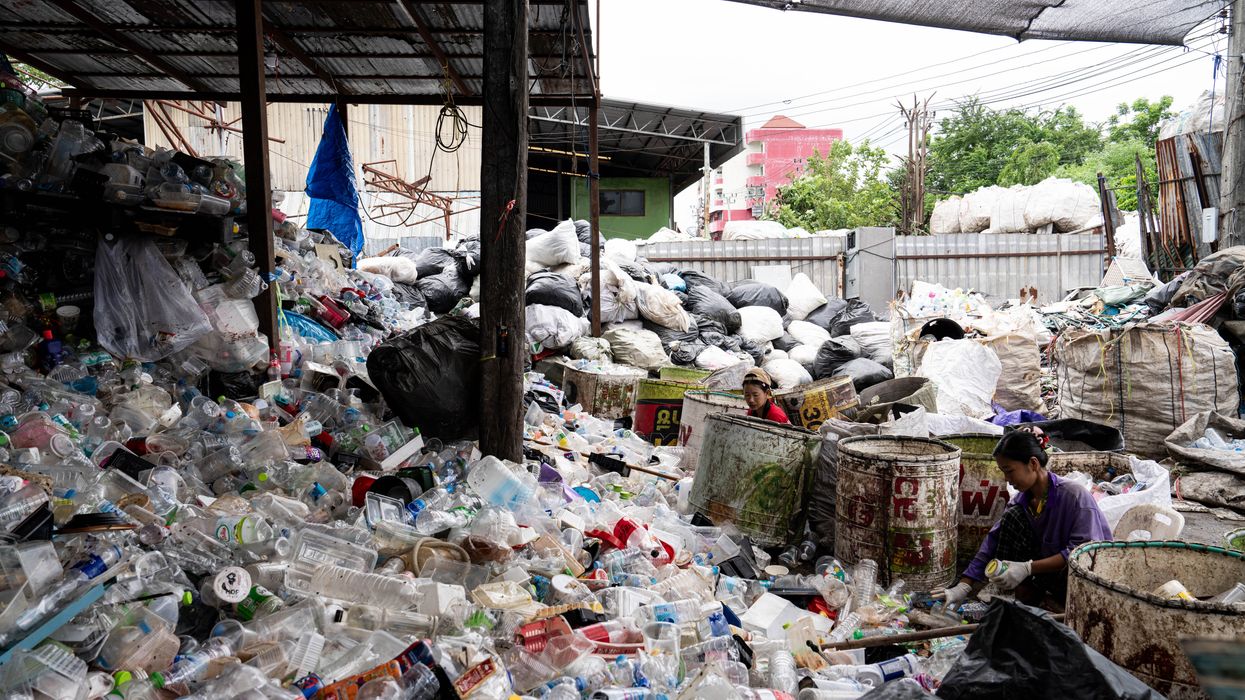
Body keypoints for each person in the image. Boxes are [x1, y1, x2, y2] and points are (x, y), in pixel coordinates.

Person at [934, 428, 1112, 608]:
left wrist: (1027, 568)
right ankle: (1020, 594)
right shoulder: (1022, 500)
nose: (1006, 479)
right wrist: (964, 585)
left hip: (1086, 578)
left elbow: (1083, 554)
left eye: (1009, 471)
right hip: (1047, 573)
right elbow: (992, 541)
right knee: (1012, 519)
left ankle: (1058, 603)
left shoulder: (1074, 496)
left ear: (1033, 464)